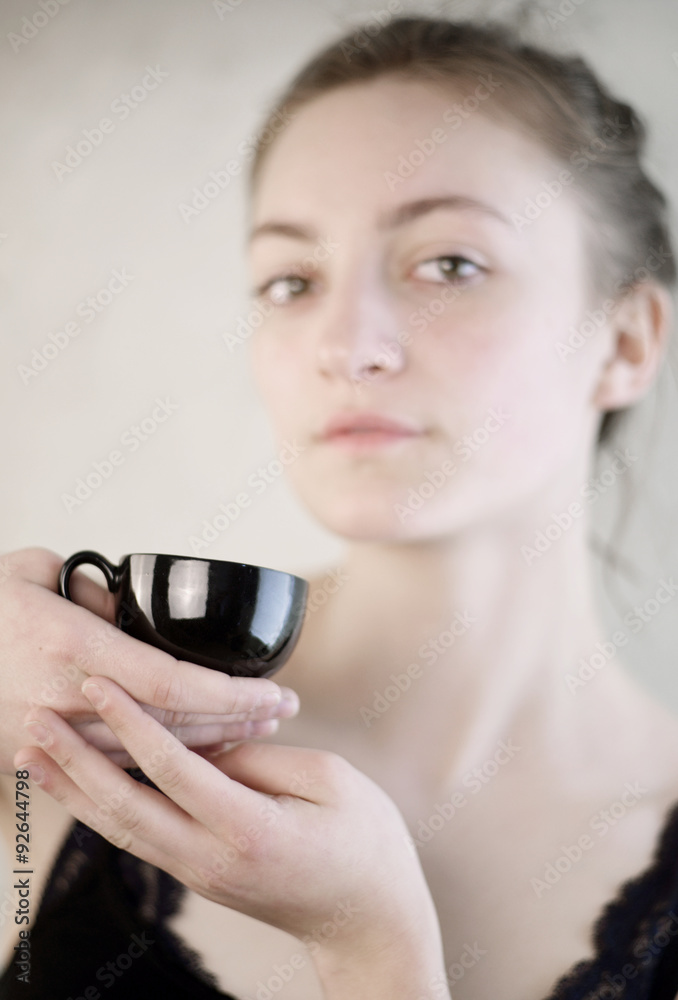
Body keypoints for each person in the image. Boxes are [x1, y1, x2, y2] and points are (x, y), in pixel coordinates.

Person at [2, 12, 678, 999]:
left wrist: (375, 951)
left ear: (626, 340)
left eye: (449, 263)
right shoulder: (61, 733)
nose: (344, 340)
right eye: (292, 279)